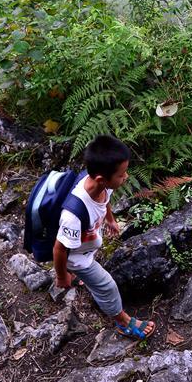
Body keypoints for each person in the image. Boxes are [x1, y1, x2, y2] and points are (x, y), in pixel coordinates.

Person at [52, 135, 156, 340]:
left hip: (84, 246)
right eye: (121, 175)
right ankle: (123, 322)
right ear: (101, 178)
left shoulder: (100, 185)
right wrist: (62, 276)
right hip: (78, 259)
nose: (125, 177)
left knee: (93, 278)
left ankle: (76, 278)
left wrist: (109, 218)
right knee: (107, 286)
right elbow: (59, 248)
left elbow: (105, 200)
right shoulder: (72, 216)